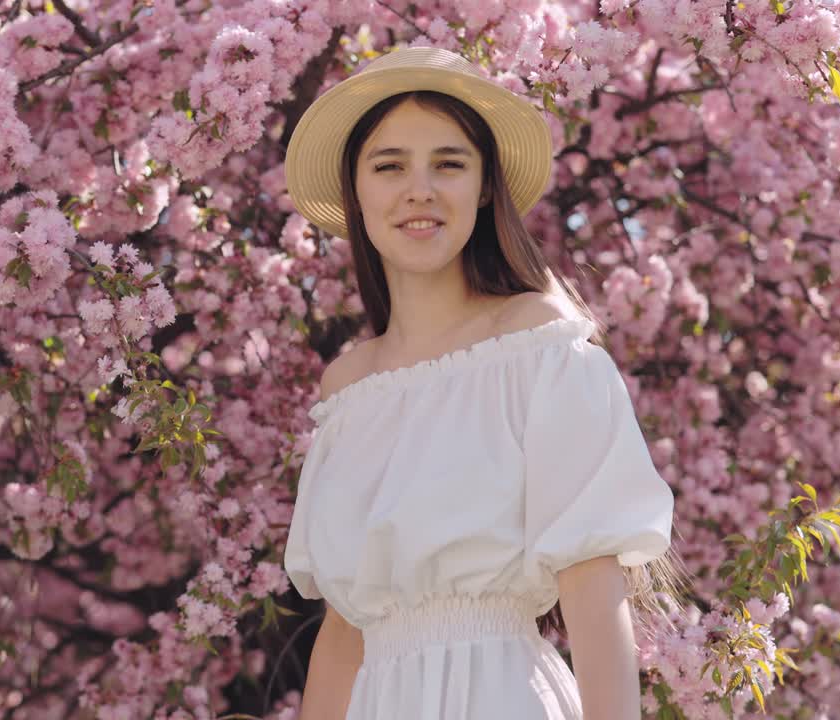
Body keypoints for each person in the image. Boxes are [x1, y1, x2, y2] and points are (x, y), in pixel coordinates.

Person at [281, 46, 686, 719]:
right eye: (389, 166)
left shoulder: (541, 347)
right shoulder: (346, 388)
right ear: (356, 190)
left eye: (449, 164)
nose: (420, 190)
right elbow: (344, 635)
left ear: (486, 186)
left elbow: (592, 584)